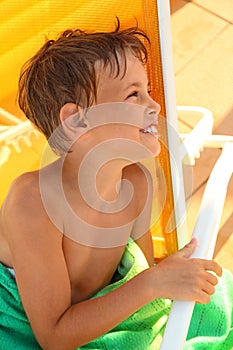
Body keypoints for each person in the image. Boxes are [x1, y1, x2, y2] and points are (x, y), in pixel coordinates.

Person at [0, 21, 232, 350]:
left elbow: (141, 276)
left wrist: (161, 276)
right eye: (133, 95)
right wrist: (153, 282)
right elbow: (52, 335)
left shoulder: (137, 181)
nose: (154, 106)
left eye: (148, 90)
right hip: (24, 318)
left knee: (215, 302)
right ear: (78, 121)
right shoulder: (34, 202)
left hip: (95, 307)